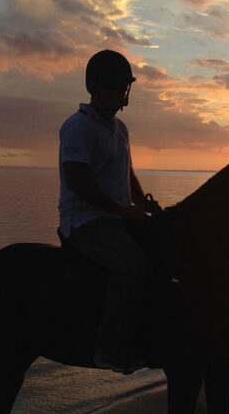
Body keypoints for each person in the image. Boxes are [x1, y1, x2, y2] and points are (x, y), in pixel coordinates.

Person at [58, 49, 160, 372]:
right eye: (111, 87)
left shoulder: (121, 129)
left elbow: (128, 174)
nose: (117, 94)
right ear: (94, 87)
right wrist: (122, 210)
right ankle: (109, 348)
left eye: (121, 88)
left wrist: (141, 204)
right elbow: (77, 182)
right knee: (131, 263)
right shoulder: (77, 127)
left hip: (115, 217)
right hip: (85, 220)